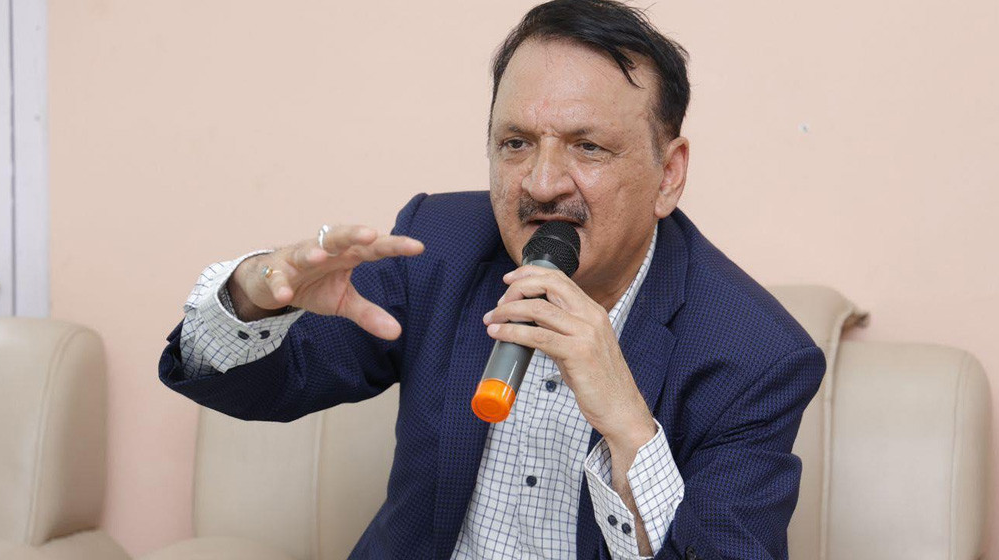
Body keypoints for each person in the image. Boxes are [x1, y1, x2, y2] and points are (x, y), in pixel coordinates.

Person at [159, 1, 826, 558]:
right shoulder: (442, 243)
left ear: (669, 174)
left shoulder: (755, 355)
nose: (542, 183)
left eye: (587, 146)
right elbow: (261, 385)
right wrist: (255, 297)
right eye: (516, 144)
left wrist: (628, 428)